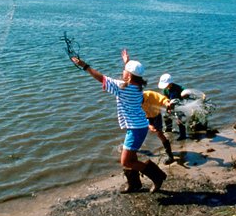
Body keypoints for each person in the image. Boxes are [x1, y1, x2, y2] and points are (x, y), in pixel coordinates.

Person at [71, 50, 167, 193]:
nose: (122, 72)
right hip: (137, 126)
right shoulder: (137, 86)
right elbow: (130, 76)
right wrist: (127, 62)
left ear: (128, 75)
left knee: (126, 161)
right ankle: (134, 184)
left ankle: (157, 176)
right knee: (131, 156)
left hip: (136, 128)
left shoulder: (123, 88)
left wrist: (85, 66)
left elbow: (101, 78)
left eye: (124, 71)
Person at [142, 90, 176, 165]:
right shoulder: (133, 101)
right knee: (138, 134)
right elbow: (135, 115)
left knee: (160, 134)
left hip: (156, 116)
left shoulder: (149, 94)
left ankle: (170, 156)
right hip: (145, 117)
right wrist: (148, 125)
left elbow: (162, 98)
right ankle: (134, 151)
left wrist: (167, 104)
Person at [158, 73, 189, 140]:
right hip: (170, 105)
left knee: (180, 121)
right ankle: (169, 129)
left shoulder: (178, 88)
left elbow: (186, 94)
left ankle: (183, 136)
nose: (165, 86)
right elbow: (166, 99)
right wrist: (168, 107)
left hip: (180, 106)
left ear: (170, 83)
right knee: (166, 116)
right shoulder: (166, 90)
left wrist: (185, 94)